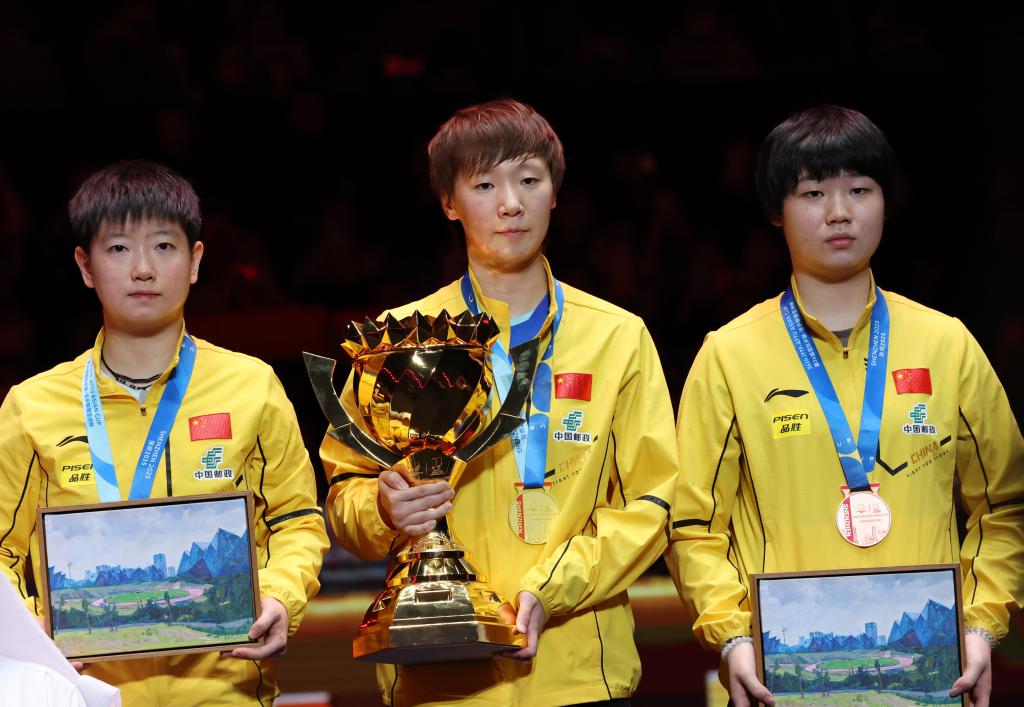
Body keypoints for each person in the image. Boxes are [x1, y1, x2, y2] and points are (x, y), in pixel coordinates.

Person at [321, 98, 678, 706]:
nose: (511, 203)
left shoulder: (618, 337)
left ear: (555, 193)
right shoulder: (399, 341)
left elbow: (653, 500)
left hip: (579, 674)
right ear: (449, 202)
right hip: (437, 674)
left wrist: (554, 587)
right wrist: (382, 509)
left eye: (529, 180)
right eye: (485, 185)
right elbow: (343, 495)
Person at [668, 104, 1024, 707]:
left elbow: (1007, 504)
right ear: (777, 210)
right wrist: (733, 638)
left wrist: (981, 624)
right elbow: (692, 525)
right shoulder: (729, 355)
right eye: (813, 193)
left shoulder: (948, 344)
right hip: (779, 684)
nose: (839, 212)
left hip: (935, 685)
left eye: (860, 189)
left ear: (886, 201)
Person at [0, 160, 329, 706]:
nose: (143, 269)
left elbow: (295, 520)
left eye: (163, 246)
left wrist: (278, 597)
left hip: (224, 691)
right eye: (118, 248)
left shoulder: (253, 386)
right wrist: (28, 629)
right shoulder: (31, 406)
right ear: (85, 266)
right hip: (84, 693)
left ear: (195, 261)